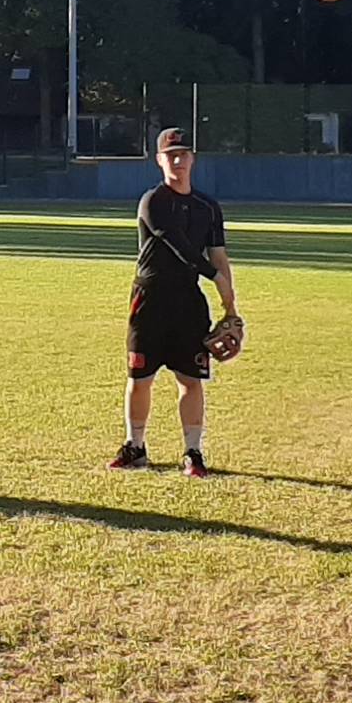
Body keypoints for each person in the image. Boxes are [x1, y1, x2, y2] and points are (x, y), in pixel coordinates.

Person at [109, 126, 239, 478]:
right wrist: (214, 278)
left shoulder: (208, 208)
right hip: (149, 299)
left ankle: (193, 452)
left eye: (183, 154)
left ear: (193, 159)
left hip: (187, 300)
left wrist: (231, 304)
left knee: (190, 378)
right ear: (159, 160)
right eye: (171, 155)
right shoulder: (153, 201)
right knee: (140, 376)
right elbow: (178, 245)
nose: (178, 161)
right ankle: (135, 446)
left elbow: (218, 255)